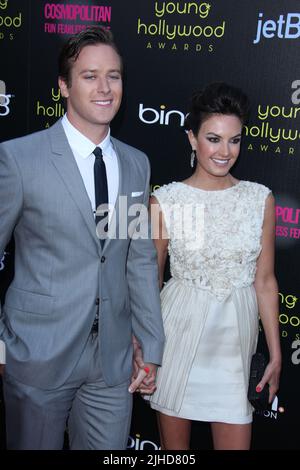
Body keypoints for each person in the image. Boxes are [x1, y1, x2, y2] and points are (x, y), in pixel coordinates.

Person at [0, 26, 164, 450]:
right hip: (38, 354)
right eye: (90, 76)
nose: (105, 88)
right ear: (63, 86)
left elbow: (137, 259)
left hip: (111, 363)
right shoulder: (19, 158)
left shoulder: (135, 164)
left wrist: (150, 345)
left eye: (114, 75)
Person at [147, 82, 281, 450]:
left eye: (234, 140)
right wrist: (144, 349)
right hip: (178, 336)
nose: (225, 151)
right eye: (213, 138)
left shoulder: (260, 198)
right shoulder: (165, 201)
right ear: (192, 138)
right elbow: (150, 283)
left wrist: (275, 352)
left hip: (234, 346)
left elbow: (265, 282)